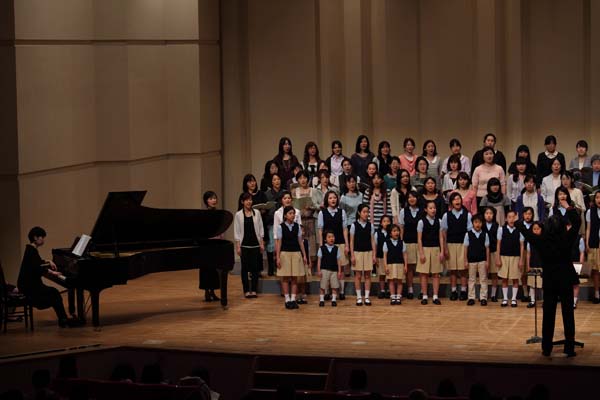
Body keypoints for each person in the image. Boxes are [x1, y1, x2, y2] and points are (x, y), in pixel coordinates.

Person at [515, 198, 582, 357]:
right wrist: (568, 207)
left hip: (550, 280)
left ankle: (546, 348)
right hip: (565, 279)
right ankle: (569, 347)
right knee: (568, 314)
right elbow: (577, 223)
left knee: (548, 315)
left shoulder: (541, 240)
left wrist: (518, 221)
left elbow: (526, 233)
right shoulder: (567, 238)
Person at [17, 227, 79, 327]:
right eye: (42, 237)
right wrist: (53, 273)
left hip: (27, 285)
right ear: (35, 237)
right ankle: (63, 320)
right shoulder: (31, 251)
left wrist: (48, 261)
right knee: (54, 293)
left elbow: (37, 263)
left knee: (54, 293)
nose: (43, 240)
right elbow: (38, 268)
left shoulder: (30, 249)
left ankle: (63, 319)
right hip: (30, 287)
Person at [317, 191, 349, 300]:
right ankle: (326, 291)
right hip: (327, 245)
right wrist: (321, 245)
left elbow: (345, 229)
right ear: (327, 200)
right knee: (327, 268)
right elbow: (320, 230)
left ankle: (341, 291)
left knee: (341, 268)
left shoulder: (342, 212)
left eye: (334, 197)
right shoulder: (322, 213)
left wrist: (346, 244)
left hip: (340, 242)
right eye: (330, 198)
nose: (333, 200)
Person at [275, 206, 308, 309]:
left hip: (296, 253)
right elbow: (279, 243)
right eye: (290, 213)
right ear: (285, 215)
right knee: (285, 277)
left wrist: (304, 255)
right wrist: (278, 257)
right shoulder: (281, 227)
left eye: (293, 213)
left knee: (294, 277)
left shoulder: (297, 226)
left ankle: (293, 299)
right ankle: (287, 299)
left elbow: (300, 242)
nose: (292, 215)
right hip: (285, 253)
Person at [442, 192, 472, 301]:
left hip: (463, 245)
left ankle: (463, 291)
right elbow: (444, 233)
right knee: (453, 270)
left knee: (463, 270)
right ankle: (453, 291)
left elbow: (470, 232)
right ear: (451, 203)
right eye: (454, 199)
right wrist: (445, 247)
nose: (457, 201)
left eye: (458, 199)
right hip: (450, 245)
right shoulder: (446, 215)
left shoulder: (467, 215)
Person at [234, 193, 264, 298]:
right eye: (246, 200)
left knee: (255, 269)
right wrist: (238, 246)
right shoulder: (238, 215)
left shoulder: (257, 213)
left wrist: (261, 243)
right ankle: (246, 290)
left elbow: (261, 229)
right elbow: (237, 232)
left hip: (255, 245)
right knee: (245, 269)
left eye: (250, 200)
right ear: (242, 202)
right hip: (244, 245)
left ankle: (254, 290)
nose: (249, 202)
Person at [417, 201, 444, 305]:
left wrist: (442, 251)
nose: (433, 210)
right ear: (426, 210)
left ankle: (435, 296)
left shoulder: (439, 221)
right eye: (431, 208)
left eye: (434, 208)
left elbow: (441, 237)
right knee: (424, 274)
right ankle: (424, 295)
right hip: (425, 249)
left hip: (436, 249)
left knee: (436, 274)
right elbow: (419, 239)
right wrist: (421, 253)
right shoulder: (421, 222)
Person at [339, 175, 362, 299]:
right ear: (346, 184)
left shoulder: (361, 195)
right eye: (349, 182)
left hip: (359, 224)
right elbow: (342, 214)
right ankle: (349, 271)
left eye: (353, 182)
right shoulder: (343, 198)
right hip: (348, 225)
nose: (352, 184)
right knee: (350, 248)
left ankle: (358, 269)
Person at [496, 210, 525, 307]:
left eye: (513, 217)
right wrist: (498, 258)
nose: (511, 219)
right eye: (509, 217)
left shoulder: (520, 230)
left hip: (515, 257)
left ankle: (513, 299)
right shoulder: (501, 229)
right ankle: (505, 298)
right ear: (506, 219)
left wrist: (521, 259)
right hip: (503, 257)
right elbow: (498, 244)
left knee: (515, 279)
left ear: (516, 218)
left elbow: (522, 245)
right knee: (504, 278)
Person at [350, 204, 376, 306]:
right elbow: (351, 241)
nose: (366, 214)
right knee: (358, 275)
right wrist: (352, 255)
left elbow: (372, 241)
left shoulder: (370, 226)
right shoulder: (354, 225)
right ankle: (359, 297)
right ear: (359, 213)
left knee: (368, 275)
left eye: (367, 212)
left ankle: (367, 297)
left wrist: (374, 254)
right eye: (364, 212)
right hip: (357, 252)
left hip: (368, 252)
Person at [399, 191, 422, 300]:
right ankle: (410, 289)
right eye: (409, 197)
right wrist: (401, 241)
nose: (411, 199)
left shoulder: (422, 210)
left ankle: (422, 290)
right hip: (407, 242)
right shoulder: (403, 211)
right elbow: (401, 228)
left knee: (421, 268)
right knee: (409, 268)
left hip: (420, 243)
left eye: (414, 197)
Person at [199, 191, 222, 301]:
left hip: (216, 244)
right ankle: (206, 292)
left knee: (214, 269)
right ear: (206, 201)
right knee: (206, 269)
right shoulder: (203, 214)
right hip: (206, 244)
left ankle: (212, 291)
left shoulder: (218, 213)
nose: (214, 200)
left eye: (214, 198)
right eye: (211, 198)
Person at [464, 213, 490, 306]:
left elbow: (487, 248)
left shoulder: (485, 234)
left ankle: (483, 298)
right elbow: (465, 248)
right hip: (471, 260)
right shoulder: (468, 234)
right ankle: (471, 297)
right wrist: (465, 260)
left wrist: (487, 261)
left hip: (482, 260)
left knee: (483, 279)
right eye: (475, 222)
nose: (477, 224)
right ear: (472, 223)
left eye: (479, 222)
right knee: (471, 279)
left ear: (482, 223)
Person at [316, 230, 343, 307]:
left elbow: (338, 260)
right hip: (324, 270)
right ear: (325, 239)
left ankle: (333, 299)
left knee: (334, 286)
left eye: (333, 237)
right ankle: (322, 300)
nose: (331, 238)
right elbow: (319, 260)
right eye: (329, 237)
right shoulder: (322, 248)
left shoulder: (336, 248)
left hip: (334, 270)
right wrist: (319, 270)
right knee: (323, 286)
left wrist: (339, 271)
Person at [384, 224, 408, 305]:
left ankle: (398, 296)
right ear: (390, 233)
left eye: (397, 231)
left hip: (400, 264)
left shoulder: (402, 242)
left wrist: (405, 265)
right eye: (394, 231)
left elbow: (405, 255)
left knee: (399, 281)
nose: (396, 232)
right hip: (390, 264)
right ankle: (393, 296)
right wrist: (386, 266)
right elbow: (385, 256)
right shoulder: (386, 243)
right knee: (391, 281)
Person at [264, 174, 283, 275]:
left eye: (278, 179)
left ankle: (280, 267)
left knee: (282, 245)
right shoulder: (267, 194)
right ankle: (271, 268)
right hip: (271, 222)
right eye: (275, 179)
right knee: (271, 246)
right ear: (271, 182)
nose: (277, 181)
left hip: (283, 222)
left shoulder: (284, 192)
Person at [482, 207, 500, 302]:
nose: (488, 215)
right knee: (483, 274)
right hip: (483, 252)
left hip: (494, 252)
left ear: (494, 215)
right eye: (487, 213)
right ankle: (483, 295)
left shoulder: (497, 226)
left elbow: (498, 241)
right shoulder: (481, 225)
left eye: (491, 213)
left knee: (494, 274)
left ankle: (493, 295)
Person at [586, 191, 600, 304]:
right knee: (595, 270)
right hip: (594, 243)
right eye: (597, 197)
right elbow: (588, 228)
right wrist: (587, 242)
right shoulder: (590, 211)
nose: (599, 199)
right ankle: (596, 293)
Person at [526, 221, 544, 308]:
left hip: (542, 265)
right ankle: (532, 300)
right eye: (534, 229)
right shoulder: (530, 242)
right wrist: (528, 265)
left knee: (544, 284)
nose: (536, 230)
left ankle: (545, 301)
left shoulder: (545, 240)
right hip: (533, 264)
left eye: (538, 229)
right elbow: (528, 254)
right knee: (532, 284)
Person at [374, 215, 392, 298]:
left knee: (389, 275)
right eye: (384, 221)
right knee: (381, 274)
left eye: (388, 221)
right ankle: (382, 290)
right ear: (381, 223)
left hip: (390, 258)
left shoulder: (392, 233)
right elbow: (375, 246)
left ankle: (389, 290)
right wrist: (375, 256)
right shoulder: (377, 233)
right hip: (380, 257)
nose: (386, 223)